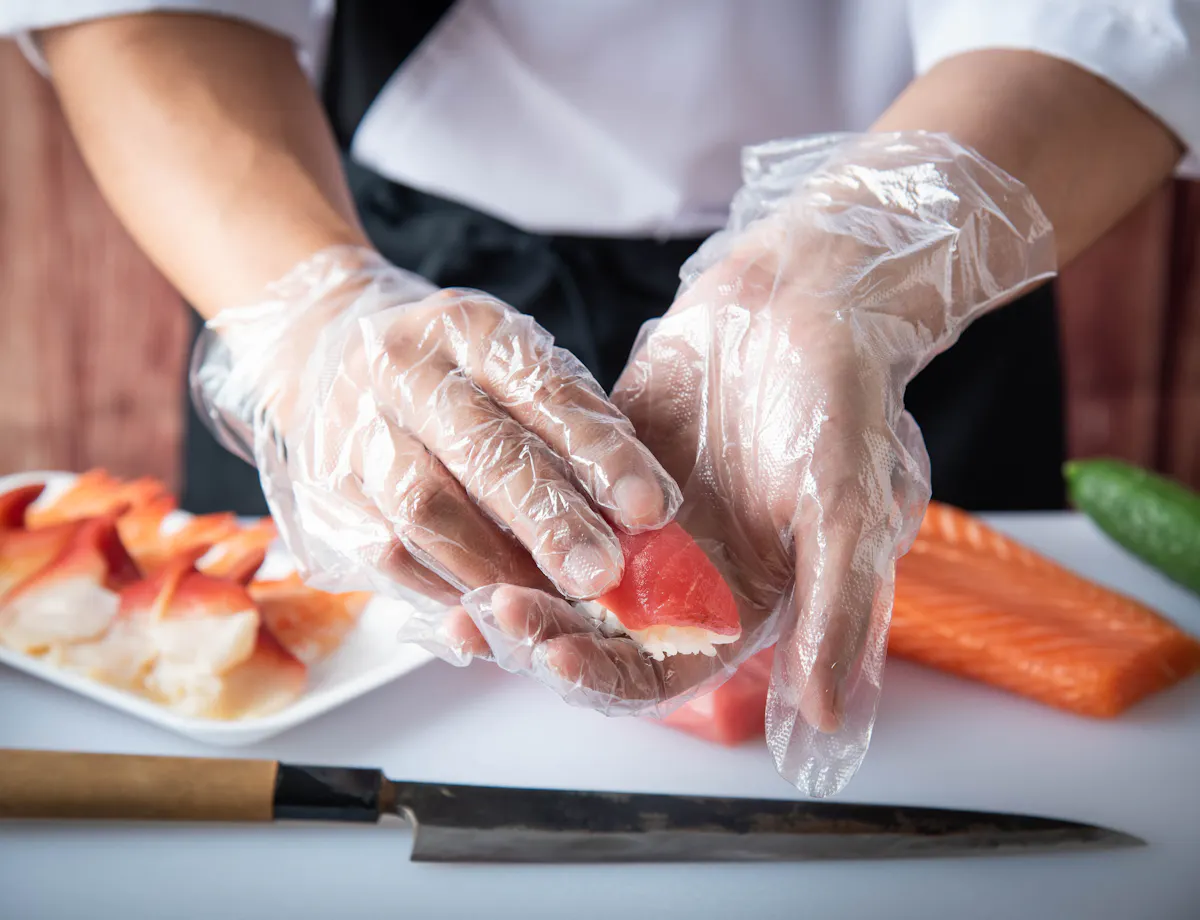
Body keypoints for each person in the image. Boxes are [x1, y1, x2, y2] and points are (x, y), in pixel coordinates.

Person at [3, 1, 1195, 794]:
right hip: (354, 253)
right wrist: (313, 316)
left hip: (906, 264)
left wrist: (844, 265)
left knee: (974, 778)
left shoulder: (870, 275)